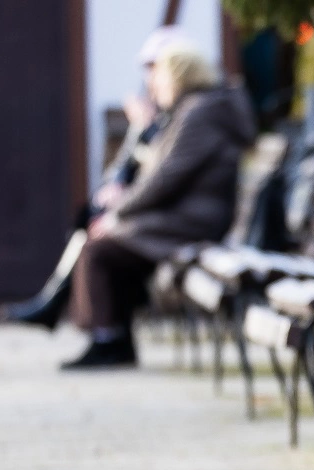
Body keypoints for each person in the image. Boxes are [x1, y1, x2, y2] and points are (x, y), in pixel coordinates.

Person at [63, 44, 257, 369]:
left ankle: (107, 340)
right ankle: (114, 338)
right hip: (189, 216)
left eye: (160, 77)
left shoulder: (199, 113)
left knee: (99, 250)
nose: (153, 86)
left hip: (193, 222)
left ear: (179, 77)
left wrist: (118, 215)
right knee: (105, 245)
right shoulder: (195, 110)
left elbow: (163, 179)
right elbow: (159, 173)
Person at [0, 26, 194, 330]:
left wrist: (121, 209)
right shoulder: (171, 113)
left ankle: (99, 332)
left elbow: (163, 177)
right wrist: (139, 132)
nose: (150, 78)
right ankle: (64, 308)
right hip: (162, 215)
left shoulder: (188, 114)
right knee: (91, 219)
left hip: (175, 221)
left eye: (155, 68)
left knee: (98, 239)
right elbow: (126, 171)